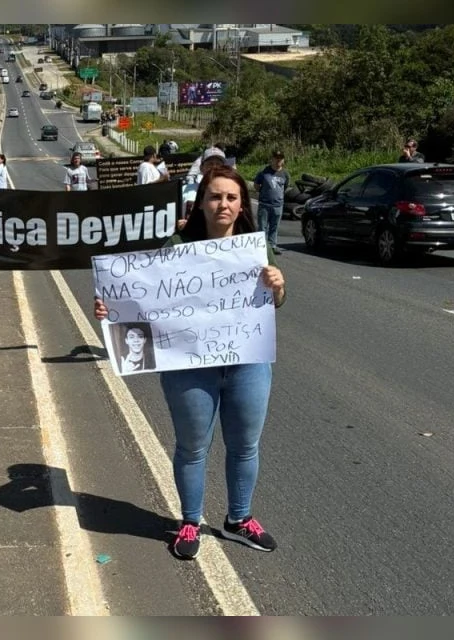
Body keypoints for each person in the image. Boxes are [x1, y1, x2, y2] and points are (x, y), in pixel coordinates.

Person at [93, 164, 287, 559]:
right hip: (189, 367)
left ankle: (238, 520)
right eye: (215, 196)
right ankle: (189, 522)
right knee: (192, 448)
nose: (223, 204)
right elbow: (145, 298)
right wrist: (111, 307)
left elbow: (273, 304)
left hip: (247, 363)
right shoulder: (175, 246)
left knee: (245, 446)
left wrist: (279, 287)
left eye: (232, 197)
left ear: (241, 204)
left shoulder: (254, 246)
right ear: (201, 203)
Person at [252, 151, 291, 254]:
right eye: (276, 158)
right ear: (272, 159)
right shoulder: (264, 172)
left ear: (283, 160)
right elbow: (256, 185)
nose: (278, 160)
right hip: (265, 204)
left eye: (280, 158)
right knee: (262, 226)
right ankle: (262, 247)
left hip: (278, 205)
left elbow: (285, 187)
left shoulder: (285, 174)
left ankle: (272, 246)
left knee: (274, 227)